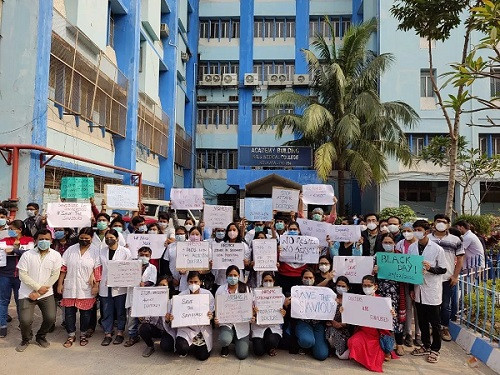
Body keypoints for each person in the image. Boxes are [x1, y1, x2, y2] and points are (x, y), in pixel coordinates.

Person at [16, 229, 62, 352]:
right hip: (27, 293)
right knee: (25, 320)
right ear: (35, 240)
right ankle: (26, 338)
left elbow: (55, 275)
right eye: (41, 239)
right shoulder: (27, 255)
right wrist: (37, 288)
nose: (44, 241)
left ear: (51, 241)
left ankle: (41, 336)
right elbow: (22, 275)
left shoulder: (56, 255)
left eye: (47, 239)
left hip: (46, 294)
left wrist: (40, 292)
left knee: (50, 318)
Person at [408, 219, 447, 364]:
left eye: (419, 230)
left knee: (435, 323)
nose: (417, 232)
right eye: (415, 229)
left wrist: (430, 268)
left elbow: (443, 269)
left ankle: (435, 349)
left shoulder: (437, 249)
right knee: (422, 321)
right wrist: (412, 288)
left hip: (431, 290)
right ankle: (425, 345)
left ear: (427, 232)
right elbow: (410, 270)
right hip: (418, 289)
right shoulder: (412, 247)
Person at [58, 227, 101, 348]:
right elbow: (63, 268)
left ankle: (83, 334)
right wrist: (60, 284)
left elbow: (97, 270)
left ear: (91, 239)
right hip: (70, 286)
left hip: (86, 287)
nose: (83, 240)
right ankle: (71, 335)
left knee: (86, 314)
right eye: (81, 238)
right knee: (69, 314)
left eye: (86, 238)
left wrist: (96, 285)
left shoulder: (95, 251)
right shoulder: (71, 250)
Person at [428, 214, 464, 342]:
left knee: (445, 305)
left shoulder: (455, 240)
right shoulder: (427, 238)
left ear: (448, 224)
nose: (441, 223)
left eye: (444, 222)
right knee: (430, 305)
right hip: (429, 278)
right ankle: (432, 327)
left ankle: (444, 327)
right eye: (438, 221)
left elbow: (460, 259)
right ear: (434, 223)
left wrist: (455, 275)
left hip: (447, 277)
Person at [347, 275, 393, 372]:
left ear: (375, 287)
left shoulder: (382, 301)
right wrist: (344, 310)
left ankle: (385, 351)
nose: (367, 288)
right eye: (364, 286)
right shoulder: (358, 300)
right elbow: (351, 314)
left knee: (377, 355)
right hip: (364, 333)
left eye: (369, 285)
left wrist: (392, 313)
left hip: (377, 335)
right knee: (352, 342)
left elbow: (387, 320)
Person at [168, 271, 214, 360]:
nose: (193, 284)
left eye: (196, 282)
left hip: (201, 329)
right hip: (186, 328)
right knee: (181, 347)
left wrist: (210, 316)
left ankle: (196, 346)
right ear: (187, 282)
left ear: (200, 282)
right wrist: (172, 317)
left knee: (202, 357)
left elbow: (211, 312)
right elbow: (175, 313)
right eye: (191, 282)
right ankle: (187, 346)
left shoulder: (207, 295)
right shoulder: (181, 296)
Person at [0, 220, 34, 338]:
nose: (9, 231)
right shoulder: (4, 241)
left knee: (21, 301)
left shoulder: (29, 240)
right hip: (5, 275)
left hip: (21, 276)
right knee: (3, 301)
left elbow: (30, 253)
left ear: (19, 230)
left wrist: (14, 250)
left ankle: (22, 323)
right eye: (9, 229)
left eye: (12, 229)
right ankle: (2, 326)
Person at [98, 229, 132, 346]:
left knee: (120, 310)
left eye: (111, 237)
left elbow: (129, 268)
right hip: (105, 285)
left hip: (120, 287)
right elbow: (98, 268)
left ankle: (120, 332)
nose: (109, 240)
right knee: (107, 310)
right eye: (107, 238)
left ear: (117, 238)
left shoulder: (125, 252)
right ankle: (108, 333)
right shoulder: (101, 251)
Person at [376, 233, 407, 356]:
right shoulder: (377, 256)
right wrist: (374, 271)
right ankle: (384, 344)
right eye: (385, 242)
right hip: (381, 292)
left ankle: (399, 344)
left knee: (397, 319)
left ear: (394, 243)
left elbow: (407, 273)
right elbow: (370, 275)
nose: (387, 245)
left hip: (396, 294)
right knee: (382, 318)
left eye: (390, 242)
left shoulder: (401, 257)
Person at [215, 265, 253, 359]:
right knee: (224, 339)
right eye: (230, 275)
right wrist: (216, 320)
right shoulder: (220, 290)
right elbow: (217, 307)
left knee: (242, 355)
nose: (232, 278)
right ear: (226, 276)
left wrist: (252, 315)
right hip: (227, 322)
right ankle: (225, 345)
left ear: (239, 276)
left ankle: (236, 339)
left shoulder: (246, 288)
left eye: (235, 275)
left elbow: (250, 305)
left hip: (242, 324)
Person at [292, 268, 329, 361]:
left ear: (314, 279)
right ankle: (304, 344)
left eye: (310, 277)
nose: (308, 280)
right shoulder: (297, 291)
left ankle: (315, 345)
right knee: (306, 341)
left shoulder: (323, 292)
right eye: (306, 277)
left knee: (322, 355)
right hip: (303, 323)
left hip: (317, 324)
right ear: (301, 279)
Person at [124, 247, 157, 347]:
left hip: (145, 296)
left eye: (146, 255)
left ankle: (145, 335)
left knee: (144, 318)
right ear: (137, 255)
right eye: (141, 255)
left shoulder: (152, 268)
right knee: (131, 318)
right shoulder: (131, 266)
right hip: (133, 295)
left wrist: (145, 284)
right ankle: (133, 336)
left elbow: (152, 281)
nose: (144, 257)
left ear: (150, 257)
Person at [395, 222, 421, 347]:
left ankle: (419, 333)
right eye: (404, 231)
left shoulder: (419, 245)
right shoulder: (400, 244)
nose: (406, 233)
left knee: (419, 307)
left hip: (419, 281)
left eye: (409, 230)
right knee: (408, 306)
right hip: (404, 281)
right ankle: (408, 333)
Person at [138, 276, 176, 357]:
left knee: (166, 347)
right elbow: (147, 318)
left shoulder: (173, 301)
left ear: (169, 287)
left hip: (167, 330)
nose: (161, 287)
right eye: (160, 285)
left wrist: (168, 320)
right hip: (156, 329)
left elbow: (176, 323)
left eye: (164, 285)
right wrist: (142, 318)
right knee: (143, 328)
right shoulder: (152, 299)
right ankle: (150, 346)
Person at [251, 271, 286, 357]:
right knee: (258, 352)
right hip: (259, 327)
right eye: (265, 280)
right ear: (262, 282)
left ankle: (271, 346)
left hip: (273, 326)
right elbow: (250, 314)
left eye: (270, 280)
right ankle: (261, 343)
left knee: (272, 341)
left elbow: (282, 312)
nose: (268, 283)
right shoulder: (254, 295)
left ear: (274, 281)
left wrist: (283, 313)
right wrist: (254, 313)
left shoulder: (280, 296)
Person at [277, 221, 307, 295]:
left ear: (299, 230)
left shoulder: (307, 242)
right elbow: (277, 259)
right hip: (284, 276)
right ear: (287, 230)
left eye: (294, 229)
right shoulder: (282, 242)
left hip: (299, 276)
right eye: (290, 229)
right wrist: (278, 251)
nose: (292, 231)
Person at [325, 276, 351, 359]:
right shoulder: (330, 298)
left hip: (345, 329)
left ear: (348, 287)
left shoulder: (351, 300)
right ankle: (332, 349)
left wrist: (343, 324)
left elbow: (354, 317)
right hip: (331, 326)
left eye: (343, 286)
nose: (340, 288)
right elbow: (323, 312)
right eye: (339, 286)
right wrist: (333, 322)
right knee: (331, 332)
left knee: (344, 356)